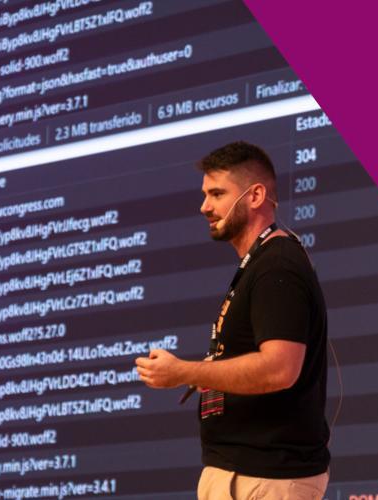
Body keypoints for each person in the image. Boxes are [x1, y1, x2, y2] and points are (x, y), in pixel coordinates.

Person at [136, 141, 330, 499]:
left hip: (265, 478)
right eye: (205, 195)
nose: (204, 207)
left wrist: (184, 372)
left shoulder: (277, 265)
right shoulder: (260, 265)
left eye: (217, 194)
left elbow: (279, 369)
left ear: (255, 196)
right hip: (241, 474)